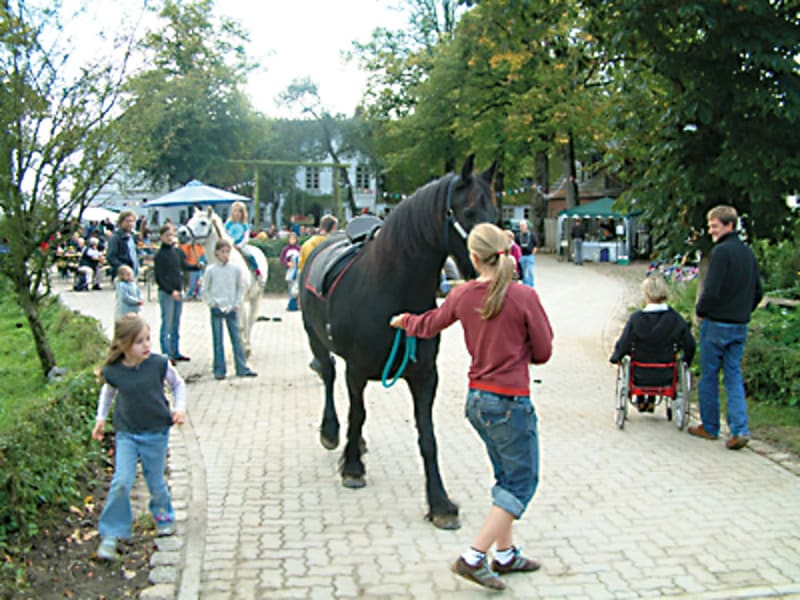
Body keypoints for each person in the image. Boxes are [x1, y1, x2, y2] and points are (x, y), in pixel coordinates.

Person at [389, 223, 553, 591]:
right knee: (522, 483)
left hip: (477, 402)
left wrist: (405, 322)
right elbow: (543, 352)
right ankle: (474, 557)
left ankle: (506, 554)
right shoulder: (524, 297)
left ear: (474, 259)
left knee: (505, 478)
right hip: (511, 403)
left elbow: (431, 324)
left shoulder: (462, 296)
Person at [92, 315, 186, 561]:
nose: (146, 346)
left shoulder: (158, 364)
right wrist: (100, 418)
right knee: (122, 480)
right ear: (123, 345)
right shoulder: (114, 371)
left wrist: (179, 408)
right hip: (127, 433)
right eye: (138, 342)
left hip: (156, 431)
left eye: (148, 339)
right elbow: (108, 392)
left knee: (155, 479)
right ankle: (111, 534)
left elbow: (178, 385)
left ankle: (163, 515)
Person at [690, 205, 763, 450]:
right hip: (739, 324)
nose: (711, 231)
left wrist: (701, 311)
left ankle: (710, 427)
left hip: (717, 323)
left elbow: (712, 290)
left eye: (714, 226)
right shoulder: (747, 253)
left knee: (709, 376)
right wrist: (744, 311)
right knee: (733, 375)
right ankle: (740, 428)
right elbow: (758, 291)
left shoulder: (721, 253)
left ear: (729, 225)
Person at [609, 273, 696, 412]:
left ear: (646, 295)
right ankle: (649, 400)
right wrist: (686, 360)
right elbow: (690, 345)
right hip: (666, 373)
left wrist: (616, 357)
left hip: (640, 374)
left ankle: (644, 400)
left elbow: (624, 343)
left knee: (639, 356)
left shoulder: (636, 319)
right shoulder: (675, 319)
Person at [203, 239, 258, 380]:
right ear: (216, 253)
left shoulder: (235, 269)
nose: (225, 255)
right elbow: (205, 289)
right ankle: (219, 370)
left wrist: (237, 303)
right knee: (218, 340)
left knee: (237, 339)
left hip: (231, 307)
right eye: (222, 252)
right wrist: (211, 303)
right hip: (217, 307)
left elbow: (240, 287)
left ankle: (241, 367)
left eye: (228, 252)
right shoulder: (211, 270)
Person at [153, 224, 190, 365]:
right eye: (167, 235)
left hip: (178, 290)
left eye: (171, 235)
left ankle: (175, 351)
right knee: (167, 324)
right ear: (161, 237)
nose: (170, 238)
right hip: (167, 292)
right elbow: (159, 277)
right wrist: (170, 291)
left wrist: (197, 266)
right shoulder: (160, 255)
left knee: (176, 323)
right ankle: (166, 353)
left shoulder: (177, 252)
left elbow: (184, 265)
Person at [224, 201, 260, 276]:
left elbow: (246, 237)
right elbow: (224, 234)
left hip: (240, 245)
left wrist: (240, 245)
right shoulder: (228, 223)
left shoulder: (244, 225)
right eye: (235, 211)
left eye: (239, 211)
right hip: (229, 245)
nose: (237, 213)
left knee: (249, 255)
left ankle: (256, 269)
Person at [105, 210, 140, 281]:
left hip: (133, 275)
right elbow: (110, 256)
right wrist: (122, 268)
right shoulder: (116, 237)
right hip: (122, 276)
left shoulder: (132, 236)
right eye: (127, 221)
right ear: (121, 222)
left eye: (132, 221)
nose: (130, 224)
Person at [280, 232, 301, 311]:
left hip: (297, 270)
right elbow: (282, 259)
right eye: (291, 239)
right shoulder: (286, 249)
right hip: (290, 270)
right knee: (290, 287)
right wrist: (287, 263)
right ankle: (291, 303)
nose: (292, 240)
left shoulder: (299, 249)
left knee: (297, 287)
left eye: (294, 239)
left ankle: (297, 304)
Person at [515, 220, 538, 287]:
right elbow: (516, 246)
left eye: (523, 226)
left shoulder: (532, 235)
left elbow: (536, 245)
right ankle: (525, 285)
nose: (522, 227)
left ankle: (531, 285)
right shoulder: (518, 236)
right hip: (522, 256)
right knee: (524, 271)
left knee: (530, 270)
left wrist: (532, 254)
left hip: (529, 256)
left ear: (526, 226)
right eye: (521, 226)